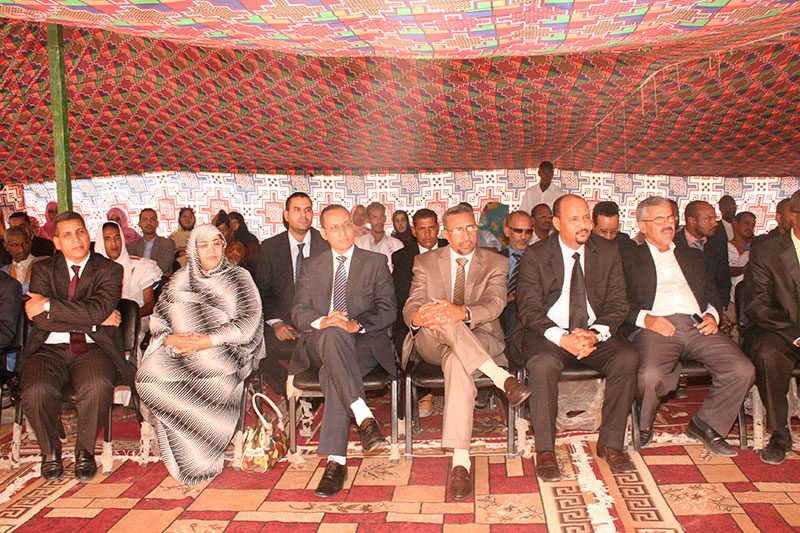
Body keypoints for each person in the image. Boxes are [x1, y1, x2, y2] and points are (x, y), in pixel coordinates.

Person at [403, 204, 530, 500]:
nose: (466, 235)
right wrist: (417, 316)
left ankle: (460, 462)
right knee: (440, 314)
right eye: (459, 229)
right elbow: (413, 302)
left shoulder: (496, 262)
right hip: (431, 339)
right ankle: (500, 377)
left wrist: (460, 312)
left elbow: (494, 304)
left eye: (471, 227)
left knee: (457, 360)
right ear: (446, 233)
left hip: (480, 335)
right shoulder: (425, 261)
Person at [516, 195, 638, 481]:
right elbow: (529, 309)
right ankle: (545, 450)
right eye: (574, 219)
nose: (584, 224)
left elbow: (618, 303)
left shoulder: (607, 251)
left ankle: (610, 444)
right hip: (549, 333)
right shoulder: (536, 255)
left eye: (586, 217)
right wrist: (563, 339)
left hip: (592, 331)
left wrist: (594, 335)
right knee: (543, 364)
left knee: (627, 357)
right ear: (557, 223)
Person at [620, 196, 754, 454]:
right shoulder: (627, 257)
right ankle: (644, 424)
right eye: (659, 219)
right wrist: (645, 319)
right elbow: (615, 300)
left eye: (671, 218)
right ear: (642, 226)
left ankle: (706, 424)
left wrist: (712, 315)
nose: (668, 224)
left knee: (742, 369)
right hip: (656, 325)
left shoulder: (692, 256)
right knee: (650, 375)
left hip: (696, 324)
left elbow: (713, 293)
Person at [136, 224, 265, 484]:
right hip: (181, 348)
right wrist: (170, 338)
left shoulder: (239, 277)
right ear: (193, 250)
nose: (211, 251)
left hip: (226, 350)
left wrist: (208, 341)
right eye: (203, 245)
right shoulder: (179, 280)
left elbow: (249, 321)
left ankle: (199, 456)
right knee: (148, 376)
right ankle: (185, 435)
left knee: (206, 382)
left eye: (216, 244)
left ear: (224, 246)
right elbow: (159, 318)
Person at [290, 204, 396, 498]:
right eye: (334, 227)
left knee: (332, 374)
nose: (342, 232)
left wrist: (354, 324)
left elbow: (388, 309)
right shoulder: (311, 266)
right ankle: (362, 414)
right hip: (320, 342)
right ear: (324, 233)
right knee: (332, 333)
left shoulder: (375, 262)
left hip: (363, 343)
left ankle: (336, 462)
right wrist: (324, 321)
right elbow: (298, 311)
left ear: (354, 227)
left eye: (346, 224)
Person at [21, 211, 129, 482]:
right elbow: (40, 320)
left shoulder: (109, 269)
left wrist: (49, 304)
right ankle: (50, 453)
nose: (76, 239)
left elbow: (97, 309)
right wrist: (93, 320)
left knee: (98, 385)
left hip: (94, 349)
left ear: (88, 234)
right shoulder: (44, 269)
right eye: (67, 235)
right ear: (57, 242)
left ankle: (84, 452)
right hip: (48, 349)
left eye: (80, 232)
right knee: (35, 390)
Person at [741, 190, 800, 465]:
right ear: (793, 216)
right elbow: (758, 304)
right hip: (778, 329)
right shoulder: (768, 251)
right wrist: (796, 335)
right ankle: (780, 432)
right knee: (767, 354)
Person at [256, 192, 329, 396]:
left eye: (308, 210)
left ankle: (311, 394)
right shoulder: (270, 247)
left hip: (317, 322)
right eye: (297, 210)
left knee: (330, 348)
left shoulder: (326, 244)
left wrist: (317, 322)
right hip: (282, 322)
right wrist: (276, 323)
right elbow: (263, 291)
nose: (303, 215)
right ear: (286, 215)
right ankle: (292, 392)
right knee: (257, 349)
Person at [391, 208, 448, 417]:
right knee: (412, 337)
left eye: (431, 228)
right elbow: (402, 297)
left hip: (449, 314)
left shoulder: (452, 249)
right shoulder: (402, 256)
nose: (427, 234)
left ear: (438, 228)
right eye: (422, 229)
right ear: (414, 231)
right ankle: (424, 394)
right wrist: (426, 314)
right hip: (415, 316)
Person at [94, 221, 162, 338]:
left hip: (136, 320)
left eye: (117, 237)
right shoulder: (93, 271)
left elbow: (150, 304)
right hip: (103, 322)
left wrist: (129, 316)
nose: (114, 243)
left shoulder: (141, 266)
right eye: (108, 238)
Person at [675, 200, 731, 310]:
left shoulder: (717, 243)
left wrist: (719, 310)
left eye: (715, 218)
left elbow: (723, 281)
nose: (715, 223)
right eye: (709, 219)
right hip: (680, 307)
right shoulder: (673, 244)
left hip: (712, 307)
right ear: (692, 221)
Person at [501, 210, 533, 367]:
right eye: (519, 231)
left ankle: (513, 366)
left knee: (515, 308)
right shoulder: (495, 259)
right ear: (507, 232)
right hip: (499, 308)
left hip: (531, 308)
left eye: (529, 231)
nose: (524, 236)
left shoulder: (540, 258)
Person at [127, 208, 177, 278]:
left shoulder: (167, 244)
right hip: (135, 282)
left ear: (157, 223)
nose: (149, 223)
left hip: (159, 281)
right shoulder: (131, 247)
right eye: (145, 219)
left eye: (152, 219)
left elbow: (161, 269)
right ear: (139, 224)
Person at [354, 202, 403, 270]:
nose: (379, 221)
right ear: (368, 220)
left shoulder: (397, 244)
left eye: (381, 217)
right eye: (374, 217)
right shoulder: (358, 243)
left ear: (385, 218)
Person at [2, 226, 46, 296]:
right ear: (6, 246)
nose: (21, 249)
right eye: (15, 245)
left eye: (25, 243)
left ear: (30, 243)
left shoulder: (44, 265)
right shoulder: (4, 272)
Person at [728, 211, 756, 305]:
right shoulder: (723, 247)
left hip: (753, 301)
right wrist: (742, 269)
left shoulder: (757, 247)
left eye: (753, 225)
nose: (750, 228)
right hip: (731, 302)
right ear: (735, 223)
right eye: (747, 223)